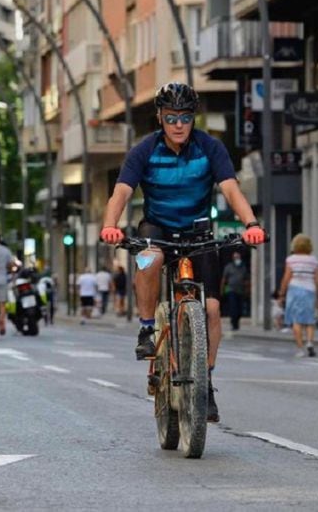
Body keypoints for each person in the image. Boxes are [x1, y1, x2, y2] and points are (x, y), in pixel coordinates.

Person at [99, 82, 266, 423]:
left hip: (199, 231)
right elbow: (120, 193)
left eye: (185, 117)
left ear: (193, 118)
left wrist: (250, 223)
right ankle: (147, 328)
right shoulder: (144, 150)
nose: (178, 124)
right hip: (156, 229)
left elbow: (232, 190)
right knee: (149, 259)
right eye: (171, 117)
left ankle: (205, 384)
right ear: (160, 117)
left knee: (214, 311)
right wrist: (110, 225)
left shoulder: (210, 148)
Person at [278, 234, 318, 357]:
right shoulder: (313, 260)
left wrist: (282, 294)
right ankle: (310, 342)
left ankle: (300, 348)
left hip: (295, 289)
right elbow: (317, 280)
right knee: (309, 320)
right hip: (310, 290)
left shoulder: (291, 259)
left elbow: (287, 278)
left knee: (296, 320)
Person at [221, 249, 248, 333]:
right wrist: (221, 289)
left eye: (238, 257)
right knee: (233, 308)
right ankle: (233, 324)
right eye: (235, 257)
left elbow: (246, 279)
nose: (237, 259)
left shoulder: (243, 267)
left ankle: (237, 322)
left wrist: (248, 290)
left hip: (240, 290)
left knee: (239, 309)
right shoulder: (229, 267)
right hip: (231, 290)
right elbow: (224, 279)